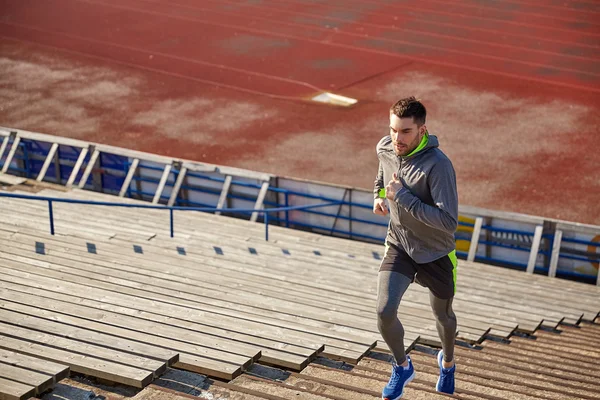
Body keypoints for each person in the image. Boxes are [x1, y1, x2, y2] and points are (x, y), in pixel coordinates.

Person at [373, 97, 458, 399]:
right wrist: (380, 195)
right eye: (393, 130)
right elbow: (383, 175)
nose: (397, 138)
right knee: (384, 311)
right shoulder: (386, 146)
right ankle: (402, 365)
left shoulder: (439, 166)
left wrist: (402, 197)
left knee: (443, 317)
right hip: (399, 244)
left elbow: (448, 221)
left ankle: (447, 362)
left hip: (436, 254)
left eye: (405, 131)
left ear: (422, 130)